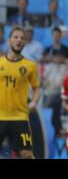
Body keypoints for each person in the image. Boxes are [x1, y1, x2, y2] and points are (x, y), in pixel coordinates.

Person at [0, 26, 41, 159]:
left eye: (22, 38)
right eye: (16, 37)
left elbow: (36, 89)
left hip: (19, 117)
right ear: (9, 41)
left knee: (27, 154)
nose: (19, 40)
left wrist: (34, 102)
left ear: (25, 42)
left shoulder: (30, 66)